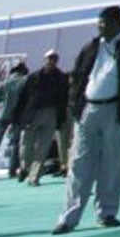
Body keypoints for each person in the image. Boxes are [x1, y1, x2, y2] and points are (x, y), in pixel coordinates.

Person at [52, 5, 120, 235]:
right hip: (88, 109)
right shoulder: (91, 47)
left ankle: (106, 213)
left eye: (104, 23)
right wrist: (75, 103)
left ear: (118, 23)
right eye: (98, 23)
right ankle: (68, 217)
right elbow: (77, 74)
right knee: (79, 165)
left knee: (111, 164)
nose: (100, 27)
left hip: (115, 109)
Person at [18, 50, 70, 185]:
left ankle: (34, 177)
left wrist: (61, 119)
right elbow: (23, 97)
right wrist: (20, 117)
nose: (51, 61)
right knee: (26, 146)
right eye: (49, 58)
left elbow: (64, 99)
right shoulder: (34, 77)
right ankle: (25, 167)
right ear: (44, 60)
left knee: (43, 147)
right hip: (33, 114)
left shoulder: (61, 78)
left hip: (51, 113)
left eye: (54, 59)